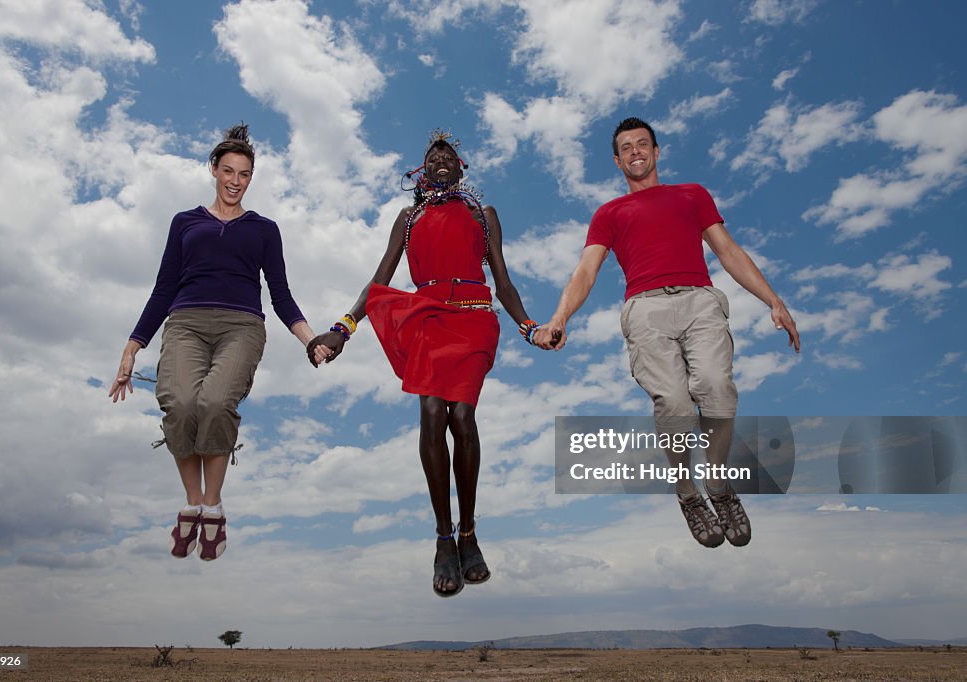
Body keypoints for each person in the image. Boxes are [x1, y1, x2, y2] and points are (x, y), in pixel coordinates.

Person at [534, 117, 800, 548]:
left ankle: (718, 486)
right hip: (646, 309)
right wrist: (560, 317)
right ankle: (687, 493)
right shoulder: (609, 214)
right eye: (627, 147)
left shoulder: (691, 195)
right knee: (675, 404)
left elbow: (728, 251)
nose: (636, 151)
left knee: (716, 386)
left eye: (643, 144)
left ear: (657, 153)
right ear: (618, 160)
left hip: (699, 299)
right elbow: (586, 270)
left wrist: (774, 300)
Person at [308, 131, 540, 596]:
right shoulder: (409, 217)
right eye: (432, 156)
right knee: (432, 413)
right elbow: (381, 278)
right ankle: (443, 538)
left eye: (448, 155)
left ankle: (470, 534)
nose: (440, 160)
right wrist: (344, 328)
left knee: (463, 416)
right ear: (420, 171)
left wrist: (531, 327)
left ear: (461, 167)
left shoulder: (482, 213)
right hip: (428, 318)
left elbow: (504, 281)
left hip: (473, 317)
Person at [109, 124, 319, 561]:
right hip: (185, 321)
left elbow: (280, 294)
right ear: (213, 169)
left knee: (216, 402)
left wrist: (309, 339)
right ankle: (192, 503)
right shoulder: (185, 223)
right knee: (181, 403)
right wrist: (133, 346)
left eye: (244, 174)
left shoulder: (264, 230)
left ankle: (213, 506)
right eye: (228, 171)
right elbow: (163, 288)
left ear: (251, 178)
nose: (235, 181)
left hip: (241, 325)